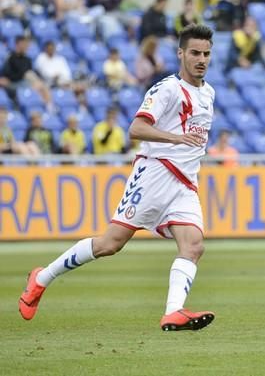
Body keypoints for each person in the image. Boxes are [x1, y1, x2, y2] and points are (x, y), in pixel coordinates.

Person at [19, 24, 218, 332]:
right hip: (154, 174)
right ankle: (41, 278)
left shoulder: (208, 93)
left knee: (193, 245)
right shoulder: (166, 89)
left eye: (206, 53)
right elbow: (136, 129)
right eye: (194, 53)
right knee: (110, 244)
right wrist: (174, 139)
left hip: (185, 184)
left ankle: (173, 312)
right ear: (181, 54)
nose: (201, 59)